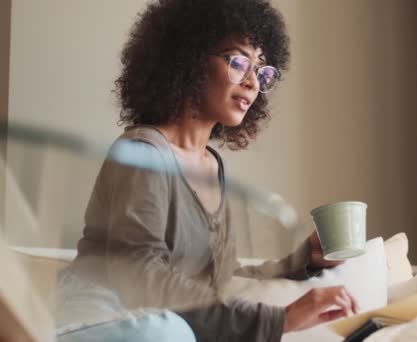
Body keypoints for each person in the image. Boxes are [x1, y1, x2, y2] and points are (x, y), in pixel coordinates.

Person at [54, 0, 359, 341]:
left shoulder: (214, 167)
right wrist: (278, 319)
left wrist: (306, 260)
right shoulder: (141, 152)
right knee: (171, 334)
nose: (252, 83)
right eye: (239, 62)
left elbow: (223, 280)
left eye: (261, 71)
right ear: (191, 59)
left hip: (164, 319)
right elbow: (141, 275)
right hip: (100, 317)